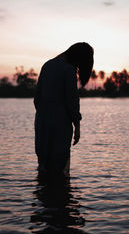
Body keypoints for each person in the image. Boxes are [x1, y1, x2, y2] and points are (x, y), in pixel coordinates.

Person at [34, 42, 94, 177]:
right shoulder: (69, 69)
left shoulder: (47, 65)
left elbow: (37, 99)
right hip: (60, 125)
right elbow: (72, 101)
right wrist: (77, 126)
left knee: (43, 168)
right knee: (60, 171)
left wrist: (44, 115)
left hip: (41, 123)